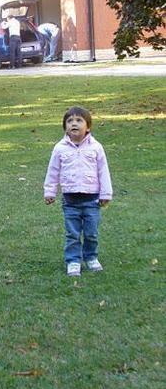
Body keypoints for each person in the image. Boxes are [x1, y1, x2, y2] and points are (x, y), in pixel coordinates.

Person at [43, 106, 112, 277]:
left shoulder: (96, 147)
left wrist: (106, 194)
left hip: (92, 199)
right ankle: (73, 260)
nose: (74, 124)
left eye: (79, 120)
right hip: (70, 200)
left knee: (91, 232)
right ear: (65, 127)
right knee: (72, 233)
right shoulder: (60, 148)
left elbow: (103, 171)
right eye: (70, 121)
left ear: (88, 127)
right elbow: (53, 171)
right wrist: (50, 192)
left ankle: (91, 257)